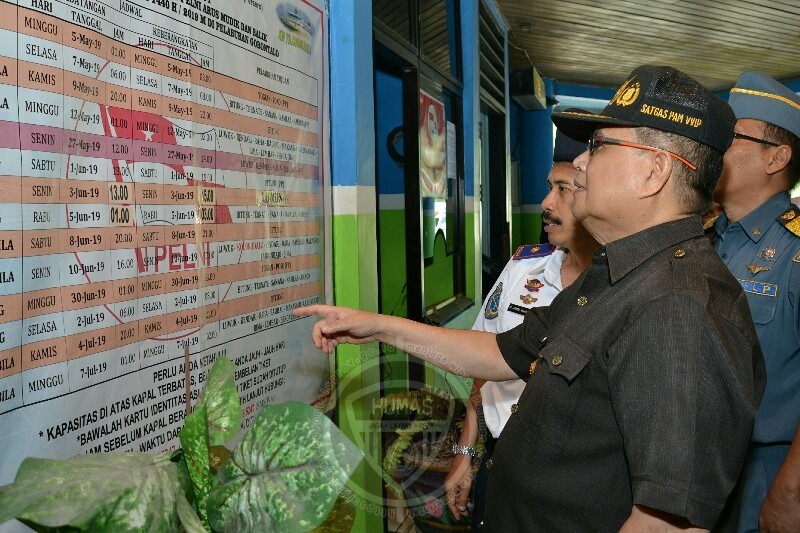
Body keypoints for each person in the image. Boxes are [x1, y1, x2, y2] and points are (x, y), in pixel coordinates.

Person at [295, 65, 765, 531]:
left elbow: (667, 524)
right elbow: (502, 353)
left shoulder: (680, 308)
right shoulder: (618, 274)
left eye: (600, 146)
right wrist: (378, 326)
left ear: (655, 172)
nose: (581, 162)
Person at [444, 128, 598, 527]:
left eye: (564, 189)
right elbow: (485, 359)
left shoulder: (621, 286)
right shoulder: (523, 267)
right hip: (498, 464)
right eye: (550, 187)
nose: (546, 203)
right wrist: (467, 452)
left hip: (571, 484)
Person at [708, 72, 800, 533]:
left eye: (730, 136)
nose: (713, 145)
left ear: (776, 158)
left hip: (769, 470)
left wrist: (790, 491)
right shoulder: (703, 238)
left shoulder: (795, 251)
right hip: (698, 465)